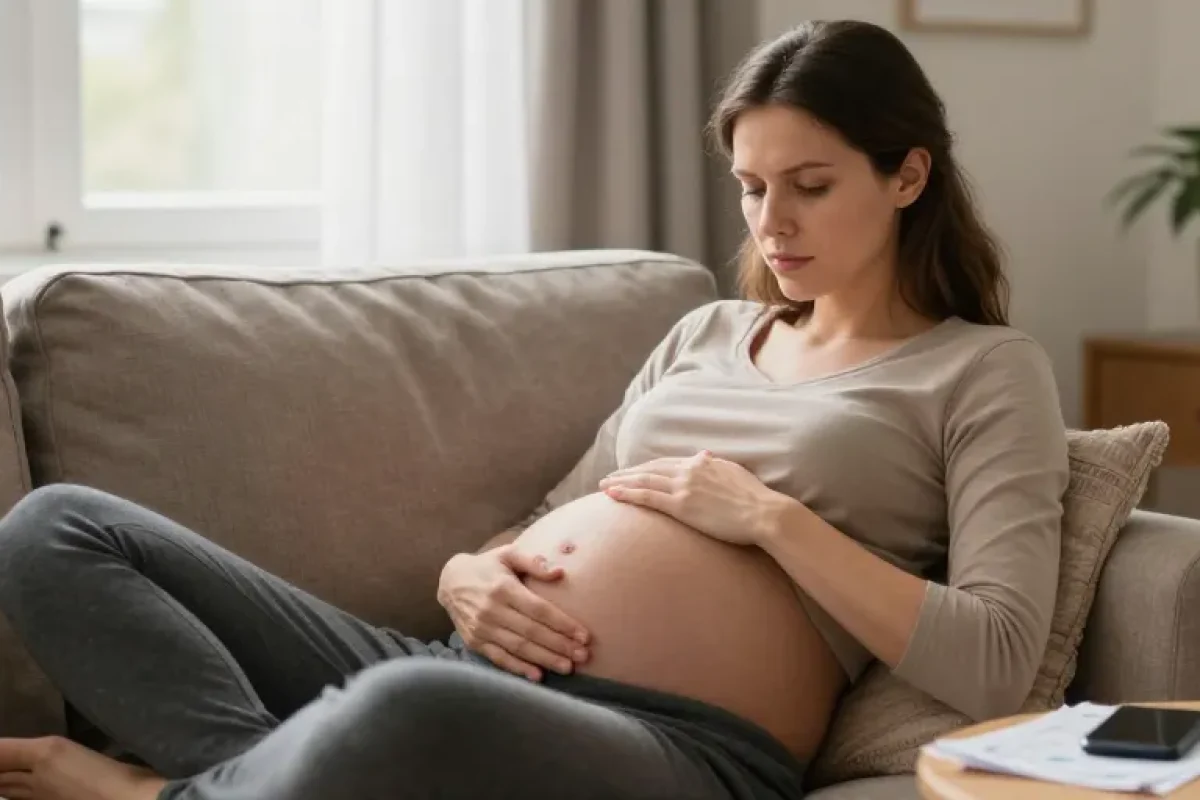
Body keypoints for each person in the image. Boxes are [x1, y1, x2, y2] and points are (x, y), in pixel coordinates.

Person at [0, 18, 1068, 800]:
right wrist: (465, 571)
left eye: (810, 183)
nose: (770, 220)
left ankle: (163, 793)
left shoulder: (980, 370)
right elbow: (553, 513)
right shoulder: (702, 333)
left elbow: (996, 654)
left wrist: (770, 518)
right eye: (749, 184)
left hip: (677, 742)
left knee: (401, 713)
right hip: (464, 663)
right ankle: (266, 779)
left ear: (908, 175)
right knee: (53, 531)